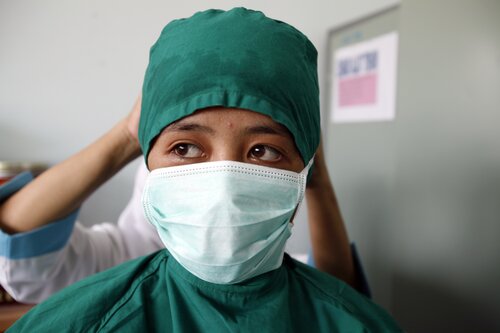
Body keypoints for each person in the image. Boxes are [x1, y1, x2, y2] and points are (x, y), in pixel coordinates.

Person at [6, 7, 399, 332]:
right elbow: (19, 246)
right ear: (147, 158)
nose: (223, 185)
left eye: (262, 151)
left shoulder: (350, 318)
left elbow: (337, 298)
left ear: (303, 169)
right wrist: (128, 132)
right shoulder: (106, 286)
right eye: (186, 147)